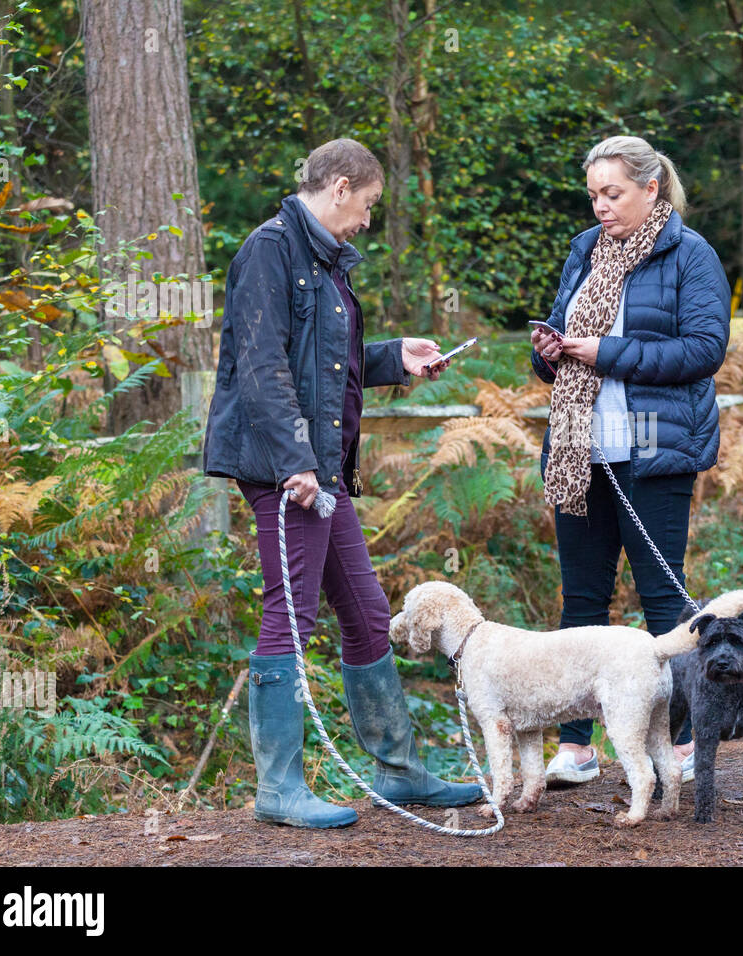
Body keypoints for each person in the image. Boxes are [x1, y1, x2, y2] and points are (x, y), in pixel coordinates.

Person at [204, 138, 482, 827]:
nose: (367, 218)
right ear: (339, 187)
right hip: (284, 468)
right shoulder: (269, 250)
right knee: (291, 613)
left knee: (362, 609)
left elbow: (326, 361)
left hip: (320, 466)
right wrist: (294, 460)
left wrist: (396, 356)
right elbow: (262, 364)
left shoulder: (325, 259)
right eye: (367, 204)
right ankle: (277, 789)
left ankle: (400, 772)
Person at [530, 135, 730, 785]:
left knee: (663, 602)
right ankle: (577, 747)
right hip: (578, 451)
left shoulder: (690, 256)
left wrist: (604, 353)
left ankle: (682, 740)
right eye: (593, 195)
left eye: (612, 193)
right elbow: (563, 341)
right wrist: (551, 350)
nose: (600, 207)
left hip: (655, 454)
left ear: (652, 188)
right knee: (580, 603)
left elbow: (703, 350)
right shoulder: (585, 251)